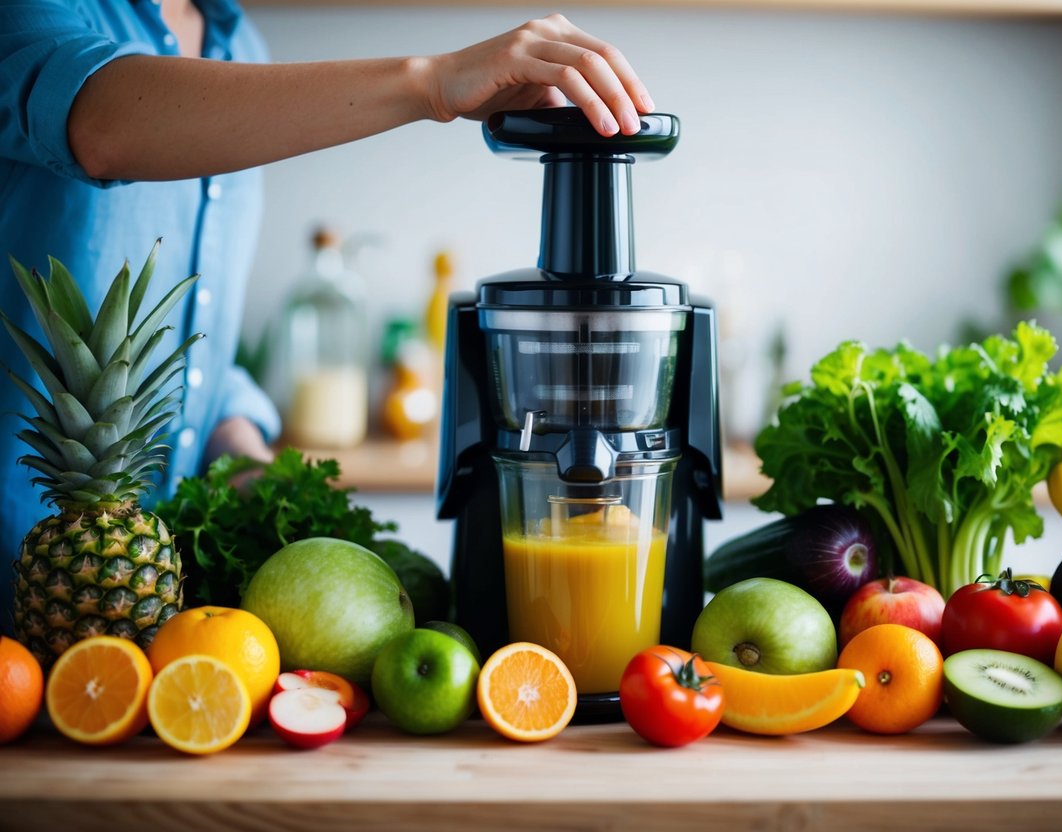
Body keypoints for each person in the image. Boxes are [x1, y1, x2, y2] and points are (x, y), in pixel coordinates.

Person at [0, 0, 655, 635]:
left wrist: (244, 452)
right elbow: (100, 122)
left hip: (161, 601)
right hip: (22, 588)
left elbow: (197, 337)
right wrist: (430, 84)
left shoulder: (239, 45)